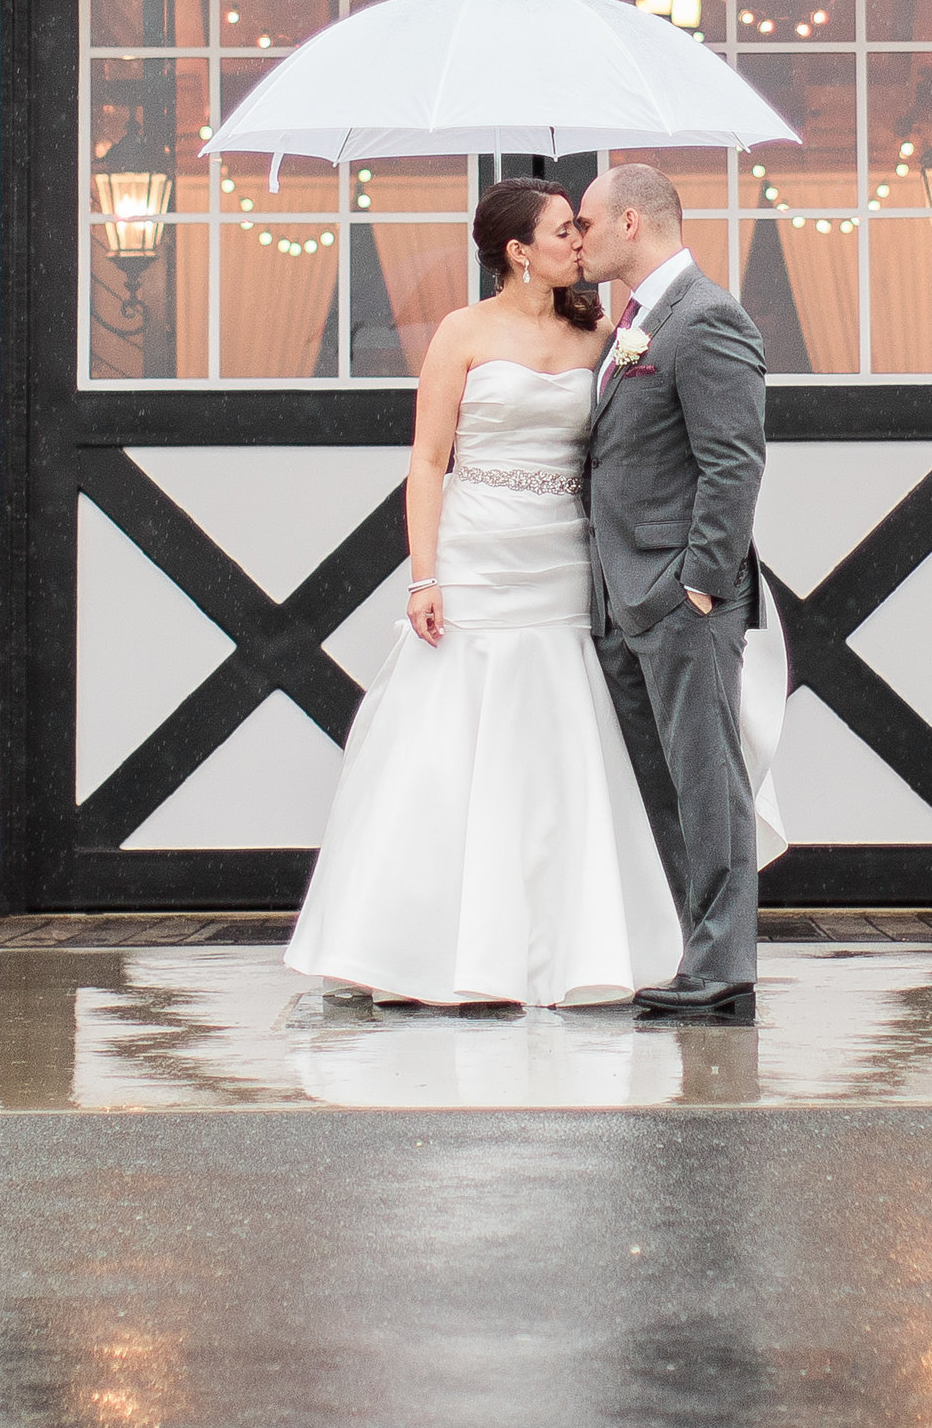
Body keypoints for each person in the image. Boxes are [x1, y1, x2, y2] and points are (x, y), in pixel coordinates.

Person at [284, 178, 683, 1008]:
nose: (581, 240)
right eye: (564, 230)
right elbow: (428, 460)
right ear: (518, 250)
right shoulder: (462, 334)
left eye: (580, 227)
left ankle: (571, 943)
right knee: (446, 741)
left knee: (557, 736)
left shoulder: (603, 335)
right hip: (474, 555)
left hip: (560, 556)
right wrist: (424, 575)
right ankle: (416, 943)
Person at [575, 161, 771, 1024]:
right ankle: (699, 953)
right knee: (663, 784)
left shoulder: (707, 317)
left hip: (679, 600)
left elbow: (734, 464)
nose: (576, 239)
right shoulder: (635, 323)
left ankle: (724, 966)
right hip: (622, 601)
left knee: (707, 780)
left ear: (629, 222)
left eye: (584, 223)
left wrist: (697, 585)